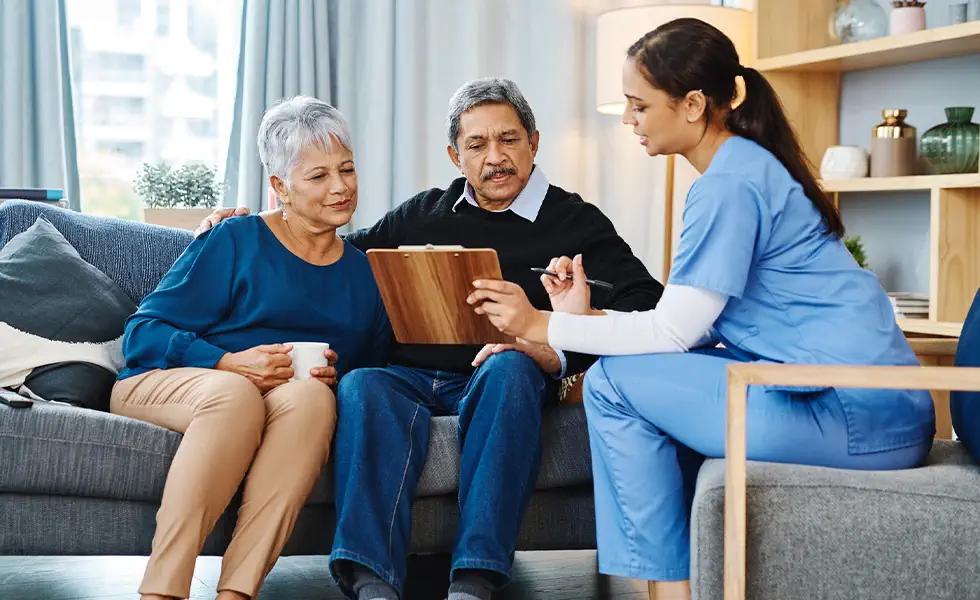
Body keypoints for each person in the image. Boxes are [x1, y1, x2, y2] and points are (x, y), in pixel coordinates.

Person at [464, 19, 936, 600]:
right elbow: (693, 322)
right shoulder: (745, 166)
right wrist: (582, 317)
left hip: (853, 414)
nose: (629, 119)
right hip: (865, 406)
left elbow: (674, 330)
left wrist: (539, 323)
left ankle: (666, 591)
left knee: (613, 383)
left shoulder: (728, 185)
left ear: (692, 105)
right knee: (625, 378)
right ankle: (670, 584)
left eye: (638, 105)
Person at [198, 78, 664, 600]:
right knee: (364, 385)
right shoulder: (424, 211)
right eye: (477, 145)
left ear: (534, 142)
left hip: (500, 373)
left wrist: (552, 344)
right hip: (408, 377)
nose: (496, 158)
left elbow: (650, 305)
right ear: (454, 155)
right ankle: (371, 578)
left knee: (510, 369)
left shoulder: (576, 221)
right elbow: (331, 250)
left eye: (509, 140)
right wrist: (252, 225)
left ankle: (475, 577)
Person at [112, 96, 391, 600]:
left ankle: (236, 593)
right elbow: (142, 333)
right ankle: (162, 591)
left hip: (280, 401)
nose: (340, 187)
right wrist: (226, 362)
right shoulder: (235, 239)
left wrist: (336, 377)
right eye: (319, 176)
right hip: (167, 384)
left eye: (347, 170)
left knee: (311, 397)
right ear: (280, 186)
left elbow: (371, 372)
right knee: (234, 394)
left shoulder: (365, 275)